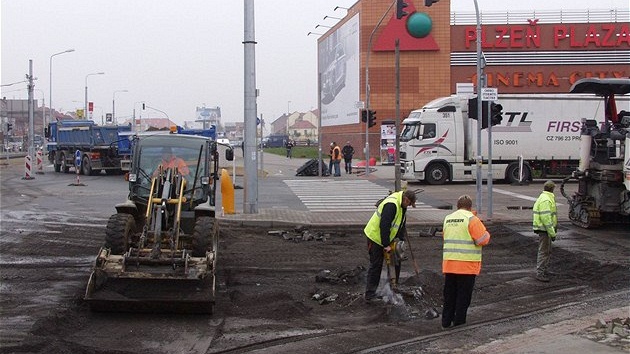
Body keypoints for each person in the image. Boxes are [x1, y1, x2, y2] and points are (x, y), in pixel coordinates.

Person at [441, 195, 490, 328]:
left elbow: (445, 237)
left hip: (450, 263)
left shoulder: (448, 219)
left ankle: (445, 321)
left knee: (449, 294)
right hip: (466, 265)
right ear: (470, 207)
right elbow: (483, 239)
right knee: (463, 296)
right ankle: (459, 322)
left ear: (457, 205)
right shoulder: (472, 219)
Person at [363, 190, 416, 303]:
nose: (409, 206)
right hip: (375, 237)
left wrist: (400, 241)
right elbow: (384, 225)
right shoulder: (392, 204)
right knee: (376, 265)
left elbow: (400, 224)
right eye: (409, 204)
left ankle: (392, 287)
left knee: (395, 260)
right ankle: (370, 294)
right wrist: (386, 244)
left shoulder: (402, 205)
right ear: (406, 199)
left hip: (387, 237)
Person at [532, 180, 558, 282]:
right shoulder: (546, 200)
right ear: (552, 189)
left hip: (544, 229)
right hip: (545, 230)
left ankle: (544, 270)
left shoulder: (544, 198)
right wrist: (552, 233)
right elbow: (546, 218)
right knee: (544, 251)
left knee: (546, 251)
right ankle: (540, 273)